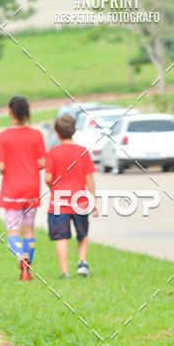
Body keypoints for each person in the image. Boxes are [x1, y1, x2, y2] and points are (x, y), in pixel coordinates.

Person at [0, 95, 45, 281]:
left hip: (12, 191)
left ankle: (21, 257)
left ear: (10, 112)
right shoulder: (36, 135)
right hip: (32, 189)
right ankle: (27, 268)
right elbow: (42, 162)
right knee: (29, 230)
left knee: (13, 230)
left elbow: (1, 166)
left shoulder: (3, 137)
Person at [45, 114, 98, 278]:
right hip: (80, 200)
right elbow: (89, 177)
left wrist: (55, 188)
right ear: (74, 131)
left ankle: (64, 271)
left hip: (59, 201)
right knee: (82, 233)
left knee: (62, 237)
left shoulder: (52, 152)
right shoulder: (83, 152)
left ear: (57, 132)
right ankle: (82, 262)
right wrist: (94, 198)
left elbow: (47, 178)